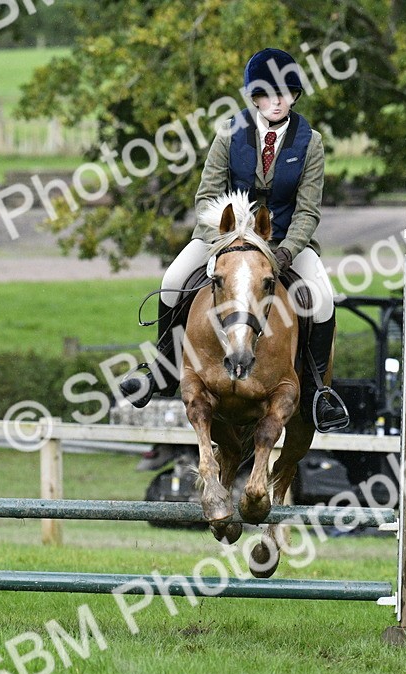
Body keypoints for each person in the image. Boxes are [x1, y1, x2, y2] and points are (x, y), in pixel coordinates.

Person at [118, 48, 350, 432]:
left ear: (294, 96)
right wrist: (225, 242)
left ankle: (315, 393)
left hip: (286, 245)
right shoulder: (229, 133)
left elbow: (308, 210)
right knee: (173, 280)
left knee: (322, 301)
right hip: (224, 238)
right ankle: (161, 369)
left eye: (285, 93)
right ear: (254, 97)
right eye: (267, 93)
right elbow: (206, 196)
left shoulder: (311, 142)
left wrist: (286, 251)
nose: (276, 101)